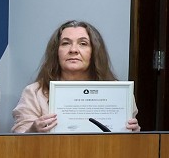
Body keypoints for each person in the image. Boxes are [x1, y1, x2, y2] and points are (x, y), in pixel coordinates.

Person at [12, 20, 140, 133]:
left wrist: (133, 133)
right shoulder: (34, 93)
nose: (73, 50)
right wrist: (33, 130)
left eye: (83, 44)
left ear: (94, 51)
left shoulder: (120, 94)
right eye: (66, 43)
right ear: (56, 52)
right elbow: (18, 138)